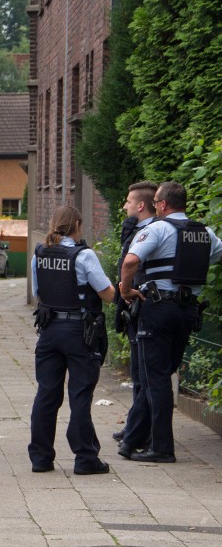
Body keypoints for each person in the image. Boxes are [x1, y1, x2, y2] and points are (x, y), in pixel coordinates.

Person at [118, 181, 222, 463]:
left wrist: (125, 290)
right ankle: (132, 440)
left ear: (162, 205)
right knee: (163, 374)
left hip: (159, 309)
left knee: (156, 378)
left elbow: (130, 262)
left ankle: (161, 448)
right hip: (188, 312)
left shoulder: (157, 229)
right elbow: (214, 256)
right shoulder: (205, 233)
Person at [29, 205, 115, 475]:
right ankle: (85, 458)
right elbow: (107, 294)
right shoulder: (84, 255)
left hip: (49, 331)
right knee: (79, 395)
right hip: (80, 333)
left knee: (46, 394)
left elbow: (37, 292)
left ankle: (41, 458)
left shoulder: (39, 254)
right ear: (77, 224)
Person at [112, 181, 158, 442]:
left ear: (141, 205)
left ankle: (142, 430)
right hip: (134, 309)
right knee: (138, 373)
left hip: (145, 307)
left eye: (128, 201)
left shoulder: (151, 232)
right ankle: (137, 425)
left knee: (144, 373)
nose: (124, 206)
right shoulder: (135, 230)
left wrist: (127, 290)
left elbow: (132, 265)